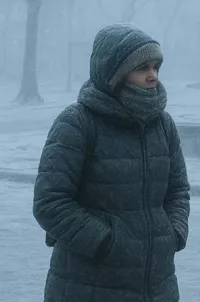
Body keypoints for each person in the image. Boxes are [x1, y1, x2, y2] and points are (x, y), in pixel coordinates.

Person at [33, 24, 190, 302]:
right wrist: (105, 242)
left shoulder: (163, 124)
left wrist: (174, 232)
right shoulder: (78, 122)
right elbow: (50, 202)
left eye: (156, 67)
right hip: (88, 284)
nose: (153, 75)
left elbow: (178, 190)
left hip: (157, 286)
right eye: (142, 67)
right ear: (114, 73)